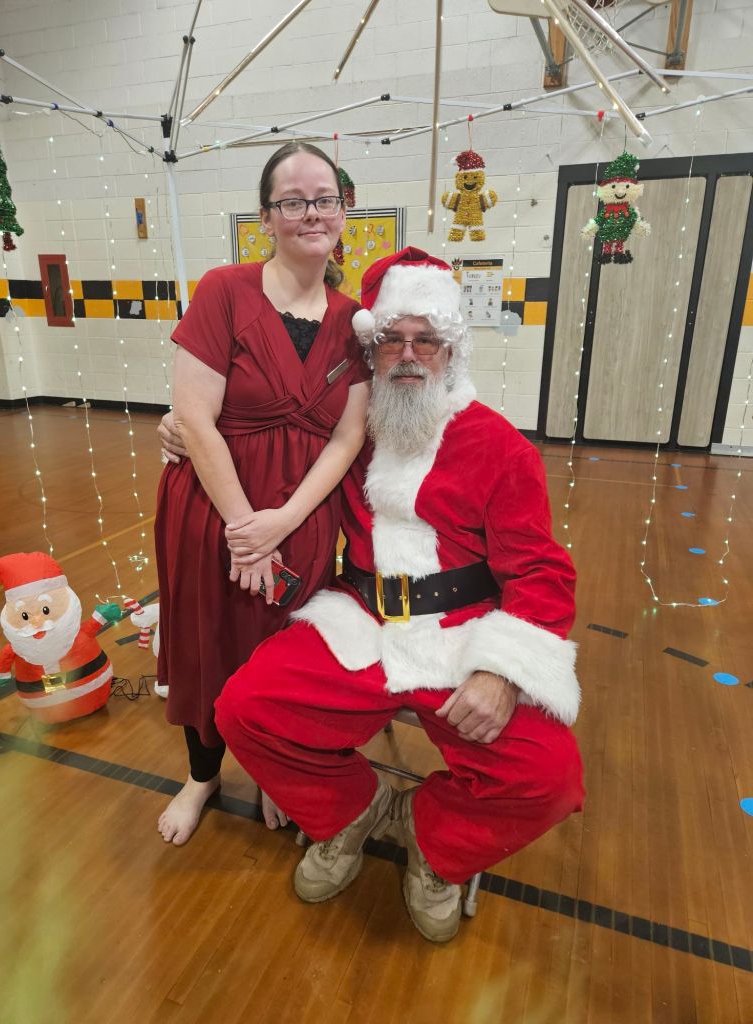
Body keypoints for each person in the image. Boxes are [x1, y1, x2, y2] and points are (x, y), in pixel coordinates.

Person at [214, 247, 585, 943]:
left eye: (427, 340)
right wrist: (179, 430)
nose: (409, 355)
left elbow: (540, 572)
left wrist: (502, 670)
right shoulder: (347, 435)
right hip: (361, 621)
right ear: (372, 350)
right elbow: (254, 438)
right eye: (393, 340)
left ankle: (436, 842)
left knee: (549, 777)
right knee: (246, 708)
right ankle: (351, 811)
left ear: (452, 351)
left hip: (461, 635)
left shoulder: (502, 448)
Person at [154, 141, 370, 845]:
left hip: (302, 518)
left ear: (343, 211)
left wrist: (283, 523)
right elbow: (193, 418)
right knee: (207, 641)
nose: (312, 212)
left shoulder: (354, 321)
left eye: (325, 199)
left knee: (281, 654)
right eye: (293, 201)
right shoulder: (225, 289)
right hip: (213, 510)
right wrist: (246, 529)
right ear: (266, 216)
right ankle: (203, 776)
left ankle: (276, 772)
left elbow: (346, 438)